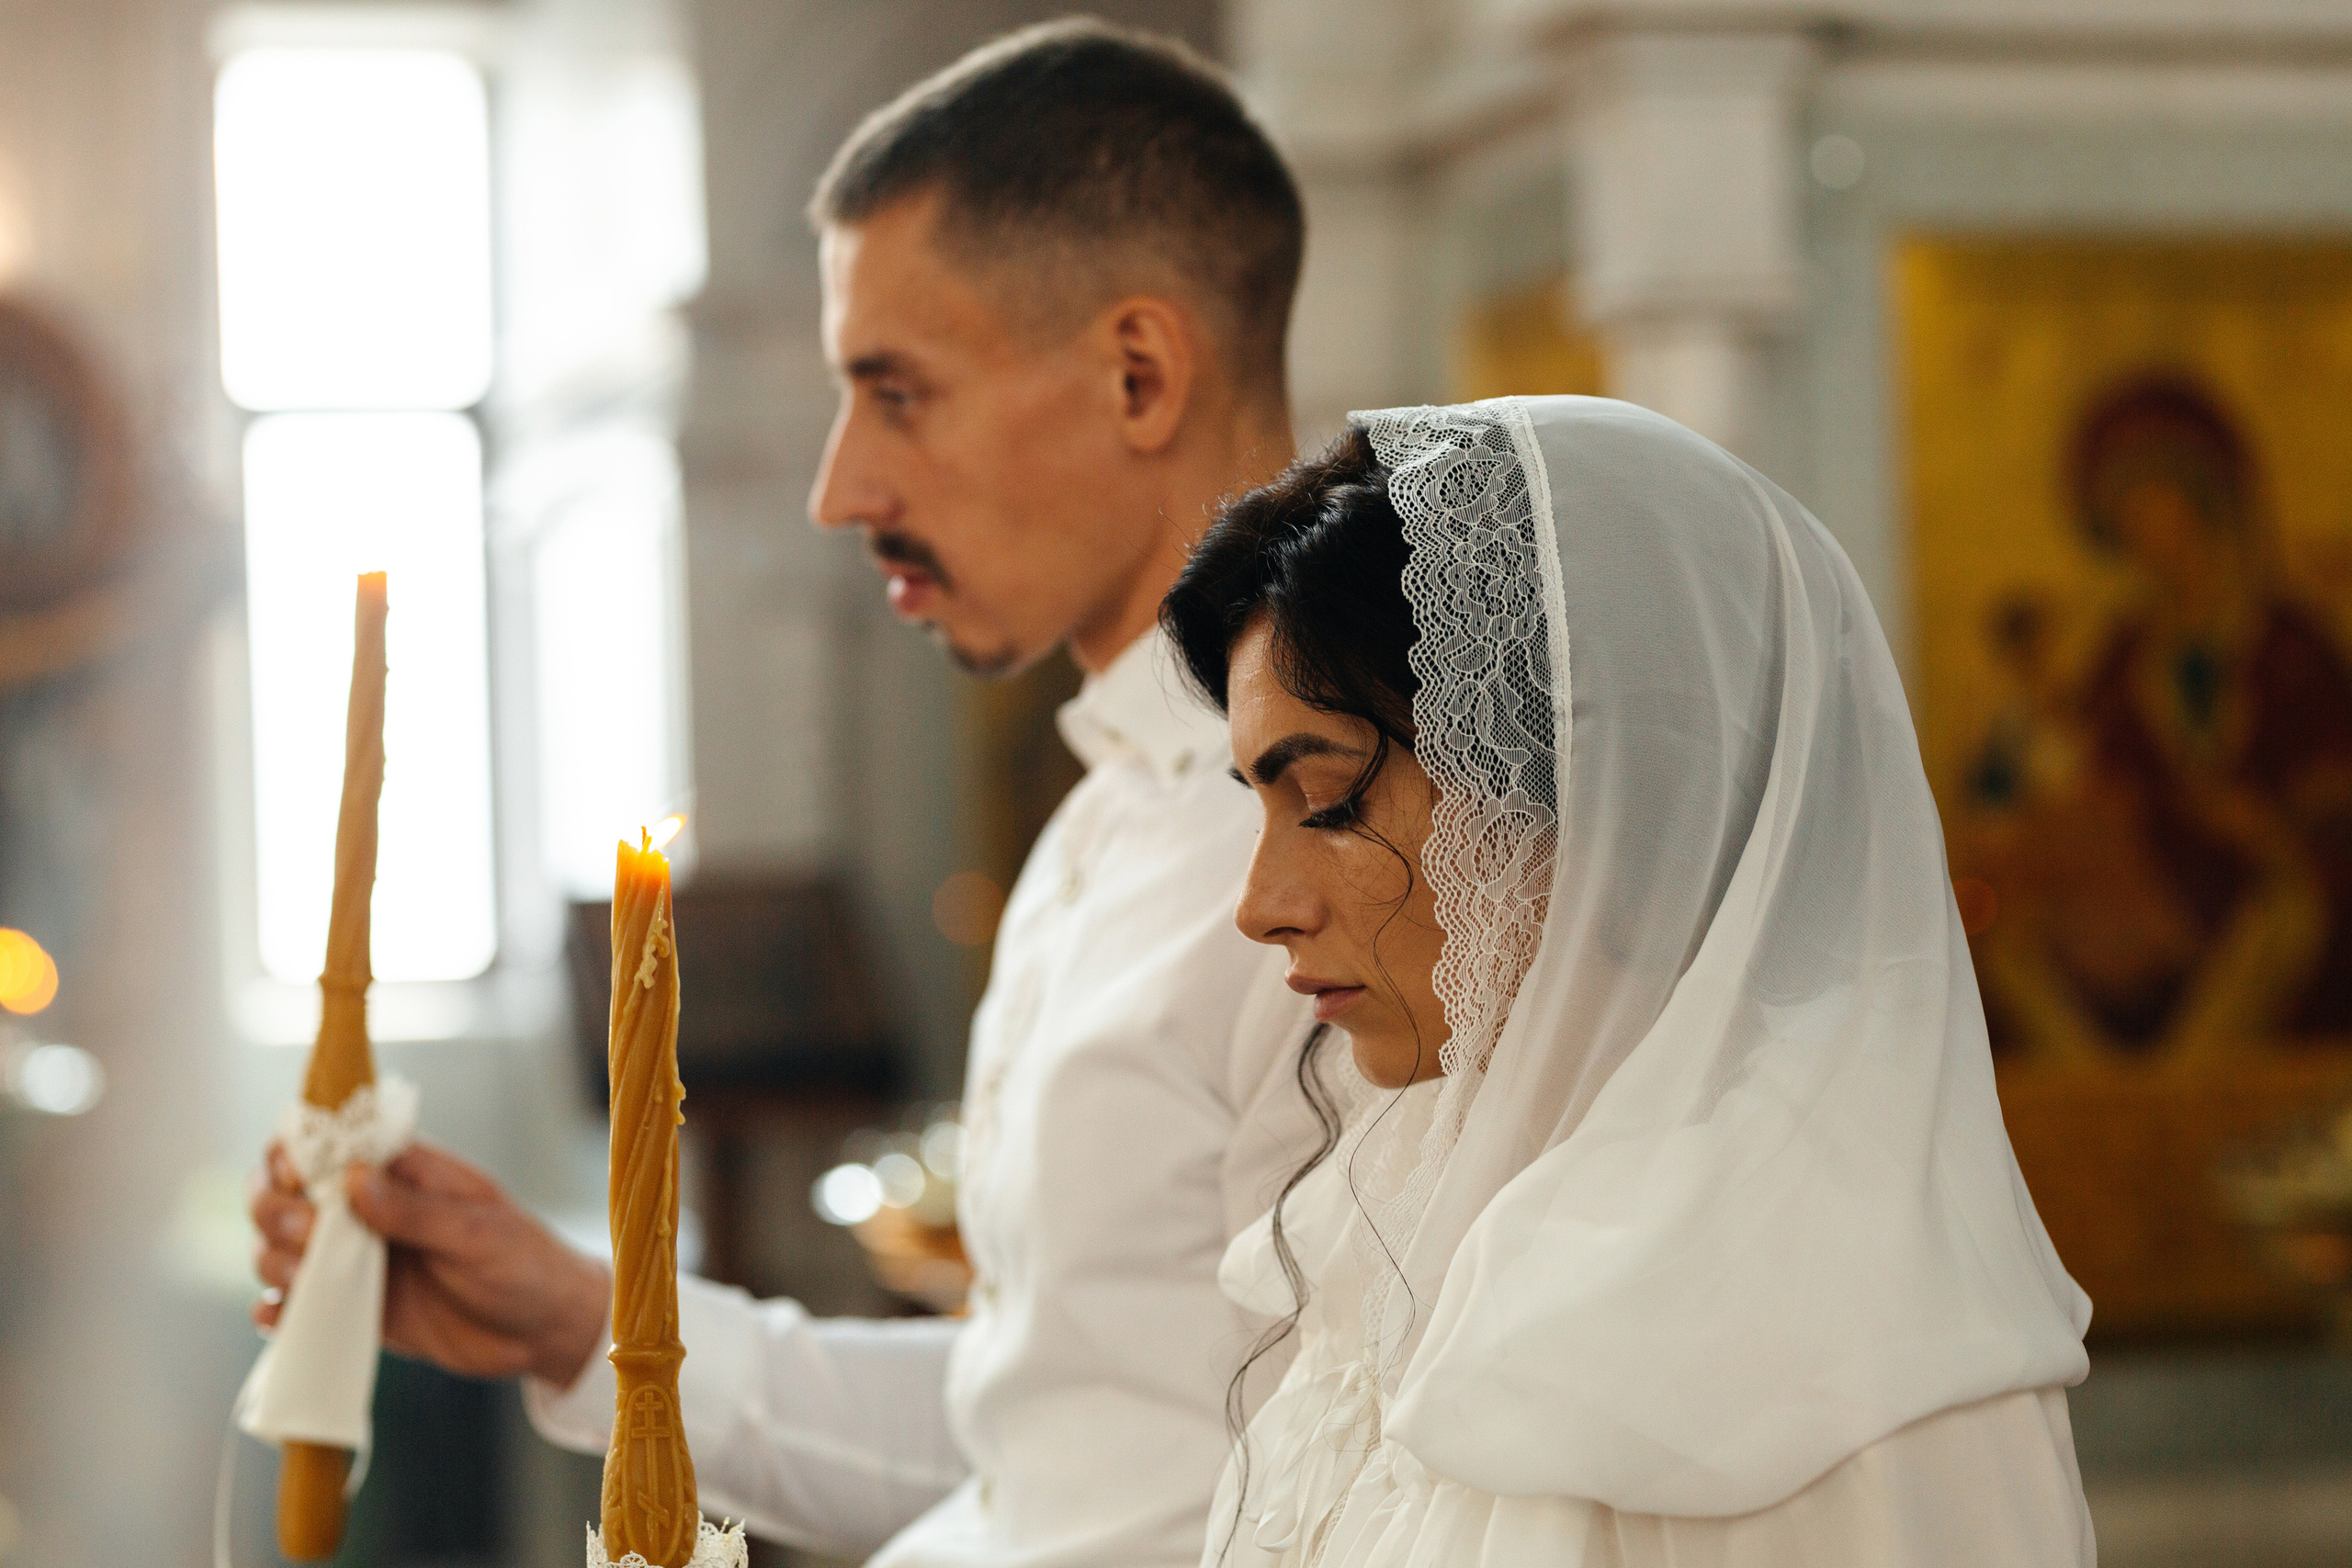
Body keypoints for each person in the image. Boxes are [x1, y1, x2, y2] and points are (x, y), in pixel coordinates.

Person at [250, 21, 1318, 1566]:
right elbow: (1042, 1433)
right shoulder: (1102, 825)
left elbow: (1348, 1479)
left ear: (1139, 373)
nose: (838, 489)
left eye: (898, 391)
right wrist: (570, 1309)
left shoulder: (1343, 857)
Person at [1159, 396, 2097, 1566]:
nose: (1261, 905)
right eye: (1258, 805)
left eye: (1331, 799)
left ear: (1610, 791)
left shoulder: (1834, 1339)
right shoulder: (1402, 1203)